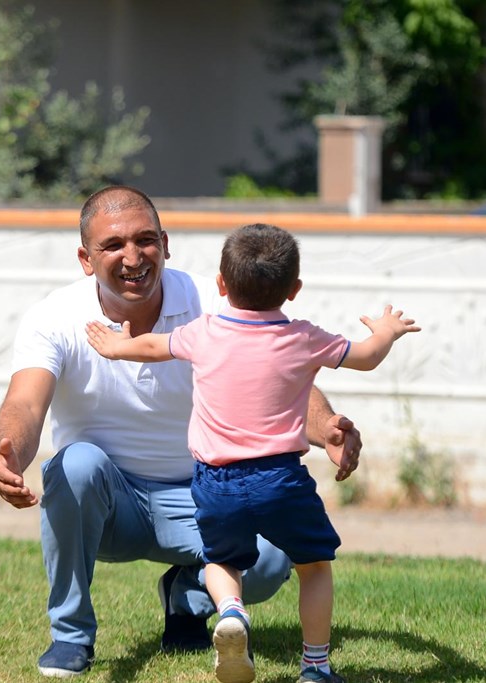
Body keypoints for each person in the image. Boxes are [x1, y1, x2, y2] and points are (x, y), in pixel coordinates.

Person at [0, 187, 364, 678]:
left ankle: (188, 599)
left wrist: (326, 430)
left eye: (145, 240)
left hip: (205, 497)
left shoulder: (214, 301)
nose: (132, 257)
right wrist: (9, 454)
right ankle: (71, 636)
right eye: (112, 246)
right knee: (75, 464)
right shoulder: (53, 316)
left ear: (165, 244)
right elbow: (25, 401)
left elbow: (279, 372)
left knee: (274, 556)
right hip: (110, 506)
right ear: (85, 259)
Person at [86, 223, 420, 683]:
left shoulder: (203, 333)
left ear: (222, 285)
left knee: (221, 560)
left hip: (214, 480)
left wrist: (117, 346)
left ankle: (230, 612)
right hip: (280, 479)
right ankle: (316, 667)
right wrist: (387, 331)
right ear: (294, 290)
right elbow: (365, 357)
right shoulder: (303, 337)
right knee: (314, 565)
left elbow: (151, 346)